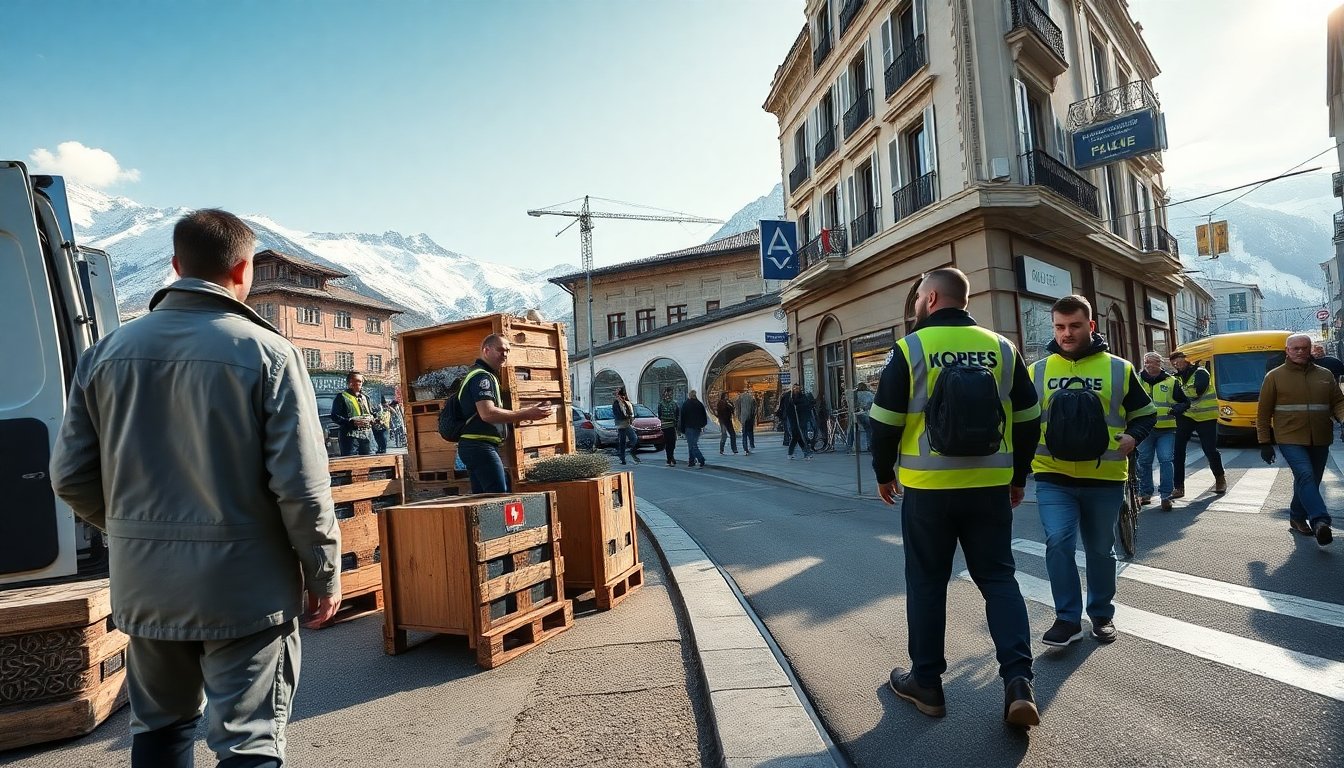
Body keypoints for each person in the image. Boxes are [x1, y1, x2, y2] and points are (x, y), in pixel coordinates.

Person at [50, 209, 341, 768]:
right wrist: (323, 572)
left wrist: (134, 534)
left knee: (159, 730)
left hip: (147, 583)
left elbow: (69, 476)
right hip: (246, 589)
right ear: (243, 270)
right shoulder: (269, 354)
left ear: (176, 265)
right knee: (248, 741)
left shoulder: (104, 354)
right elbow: (302, 490)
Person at [869, 267, 1042, 728]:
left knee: (927, 583)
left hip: (928, 493)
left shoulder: (910, 349)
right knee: (1000, 580)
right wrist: (1019, 474)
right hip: (990, 488)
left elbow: (884, 420)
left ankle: (926, 684)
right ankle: (1018, 683)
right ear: (963, 301)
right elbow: (1028, 418)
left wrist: (883, 473)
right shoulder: (1003, 348)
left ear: (929, 299)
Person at [1031, 295, 1155, 648]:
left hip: (1104, 476)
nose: (1066, 333)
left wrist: (1133, 436)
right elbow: (1021, 420)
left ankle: (1101, 614)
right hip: (1052, 475)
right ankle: (1067, 619)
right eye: (1059, 326)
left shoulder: (1118, 368)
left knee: (1100, 549)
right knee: (1058, 543)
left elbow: (1144, 413)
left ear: (1090, 326)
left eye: (1073, 326)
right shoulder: (1037, 371)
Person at [1258, 333, 1343, 546]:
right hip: (1289, 436)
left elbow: (1338, 402)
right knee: (1304, 474)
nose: (1299, 352)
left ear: (1310, 349)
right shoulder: (1274, 376)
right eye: (1294, 348)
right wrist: (1264, 442)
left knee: (1311, 480)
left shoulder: (1325, 375)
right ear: (1287, 351)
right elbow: (1263, 412)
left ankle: (1296, 516)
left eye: (1304, 348)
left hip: (1321, 436)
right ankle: (1320, 521)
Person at [457, 335, 554, 492]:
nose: (505, 355)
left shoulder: (483, 374)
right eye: (500, 350)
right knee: (499, 498)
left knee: (484, 501)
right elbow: (487, 414)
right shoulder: (482, 377)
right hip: (479, 445)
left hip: (477, 445)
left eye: (507, 351)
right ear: (486, 351)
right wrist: (526, 414)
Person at [1169, 350, 1226, 498]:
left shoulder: (1201, 372)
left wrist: (1181, 398)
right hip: (1187, 416)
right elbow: (1172, 396)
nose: (1176, 364)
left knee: (1209, 449)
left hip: (1205, 417)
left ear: (1186, 359)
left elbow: (1197, 391)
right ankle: (1178, 487)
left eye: (1178, 360)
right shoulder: (1176, 378)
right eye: (1173, 362)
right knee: (1178, 451)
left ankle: (1220, 479)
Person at [1136, 352, 1179, 511]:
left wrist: (1177, 408)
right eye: (1146, 362)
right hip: (1144, 430)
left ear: (1159, 364)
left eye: (1152, 362)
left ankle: (1166, 495)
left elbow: (1183, 401)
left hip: (1166, 429)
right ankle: (1145, 493)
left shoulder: (1171, 381)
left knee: (1166, 460)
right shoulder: (1137, 380)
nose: (1148, 365)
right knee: (1144, 461)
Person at [332, 372, 374, 456]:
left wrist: (374, 420)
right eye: (354, 381)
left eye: (359, 381)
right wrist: (350, 422)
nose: (357, 383)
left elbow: (371, 413)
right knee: (350, 462)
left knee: (368, 462)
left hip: (367, 436)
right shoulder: (341, 396)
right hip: (350, 438)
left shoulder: (366, 397)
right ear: (348, 383)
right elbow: (335, 416)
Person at [777, 383, 813, 460]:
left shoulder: (801, 397)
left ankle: (793, 453)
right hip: (792, 420)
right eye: (795, 388)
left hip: (800, 420)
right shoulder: (788, 397)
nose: (796, 390)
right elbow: (784, 408)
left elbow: (806, 407)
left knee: (797, 437)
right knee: (797, 436)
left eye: (797, 388)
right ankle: (805, 453)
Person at [611, 387, 641, 466]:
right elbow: (617, 414)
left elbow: (630, 412)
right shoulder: (616, 403)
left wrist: (630, 417)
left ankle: (628, 454)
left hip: (627, 423)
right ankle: (623, 458)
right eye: (621, 395)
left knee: (633, 439)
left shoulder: (626, 403)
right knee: (624, 441)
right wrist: (627, 416)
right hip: (621, 424)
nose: (621, 397)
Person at [680, 389, 709, 467]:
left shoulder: (686, 404)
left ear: (689, 395)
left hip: (689, 427)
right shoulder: (699, 404)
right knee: (692, 444)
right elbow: (704, 416)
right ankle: (691, 461)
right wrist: (702, 424)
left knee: (692, 445)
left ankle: (700, 459)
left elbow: (682, 417)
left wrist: (681, 429)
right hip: (697, 427)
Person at [658, 387, 681, 466]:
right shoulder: (673, 404)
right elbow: (677, 415)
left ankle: (670, 458)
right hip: (669, 425)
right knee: (671, 442)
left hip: (667, 425)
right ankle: (670, 458)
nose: (669, 396)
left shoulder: (663, 403)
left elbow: (659, 415)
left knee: (669, 443)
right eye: (669, 394)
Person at [854, 382, 875, 454]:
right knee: (871, 430)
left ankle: (865, 445)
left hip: (859, 415)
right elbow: (873, 403)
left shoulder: (856, 394)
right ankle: (870, 445)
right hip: (867, 414)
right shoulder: (869, 394)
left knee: (865, 429)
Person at [736, 388, 757, 454]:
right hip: (750, 418)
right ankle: (751, 445)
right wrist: (753, 417)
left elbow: (738, 409)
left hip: (743, 419)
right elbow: (755, 409)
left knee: (744, 434)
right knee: (750, 432)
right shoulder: (752, 398)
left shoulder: (739, 399)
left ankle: (745, 449)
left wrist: (739, 418)